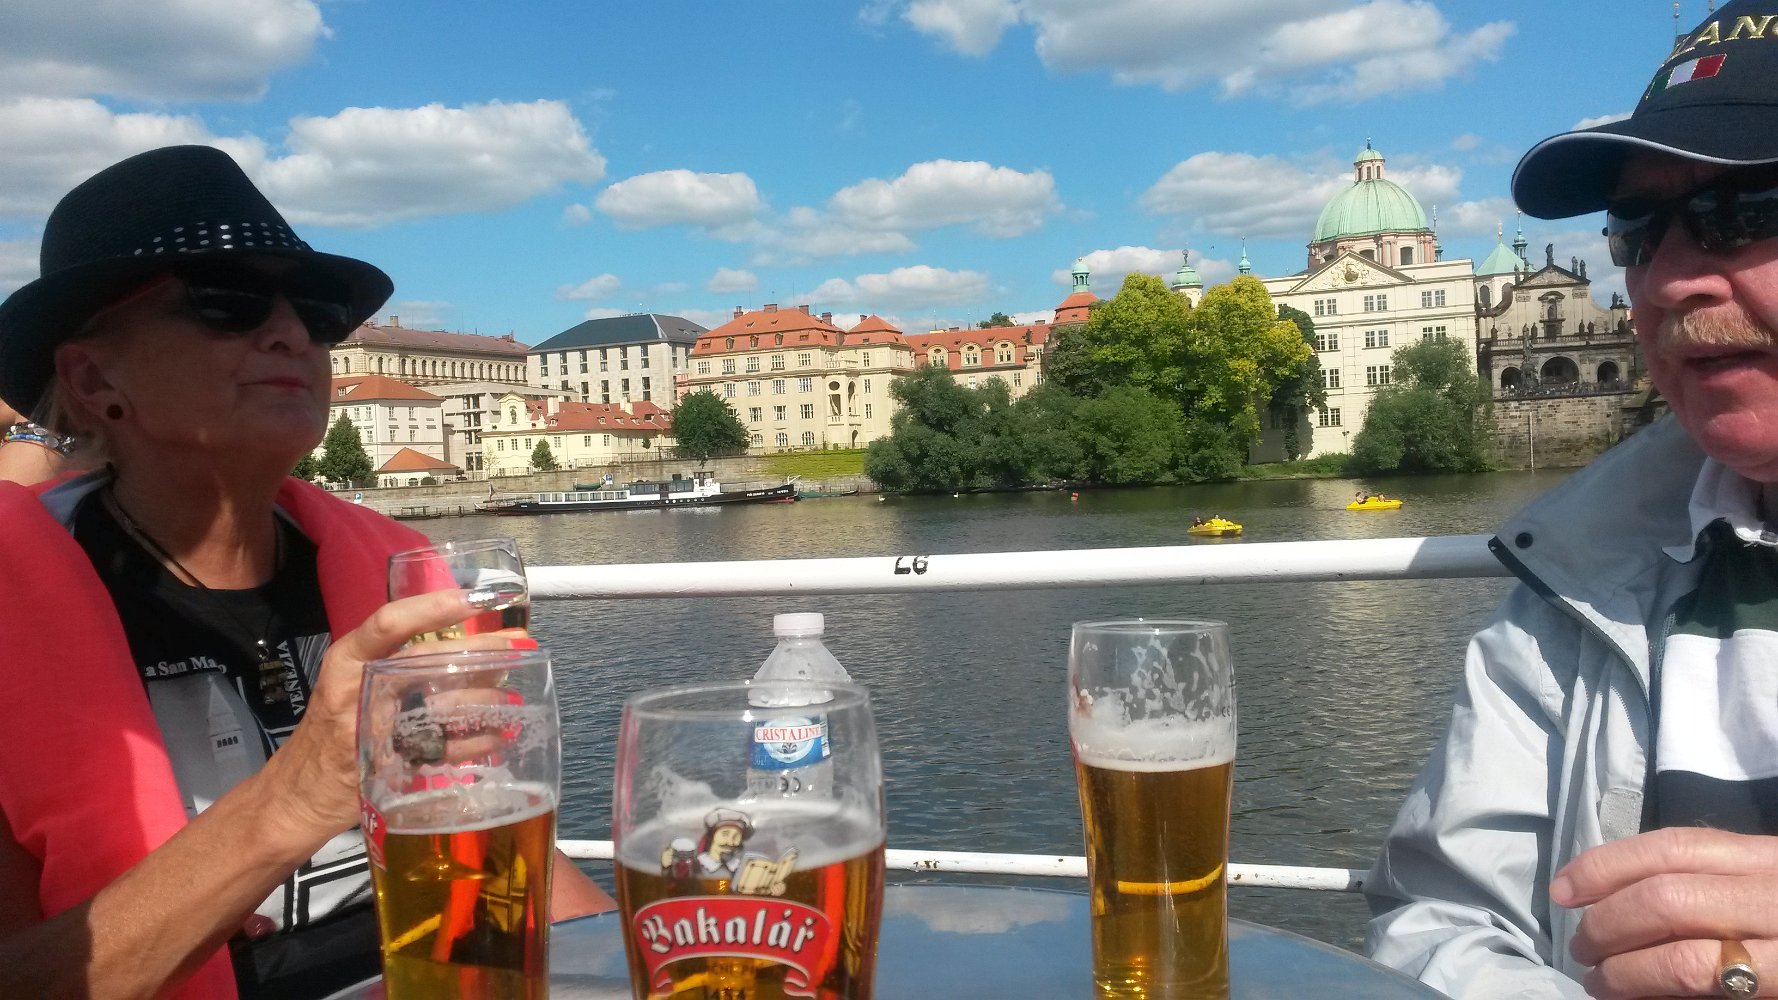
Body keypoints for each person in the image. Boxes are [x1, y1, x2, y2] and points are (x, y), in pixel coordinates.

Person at [0, 145, 611, 1000]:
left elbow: (505, 853)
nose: (291, 334)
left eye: (317, 313)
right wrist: (295, 798)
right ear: (94, 376)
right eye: (227, 302)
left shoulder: (399, 570)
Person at [1367, 4, 1778, 998]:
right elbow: (1442, 920)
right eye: (1636, 231)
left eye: (1747, 208)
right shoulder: (1574, 580)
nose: (1666, 280)